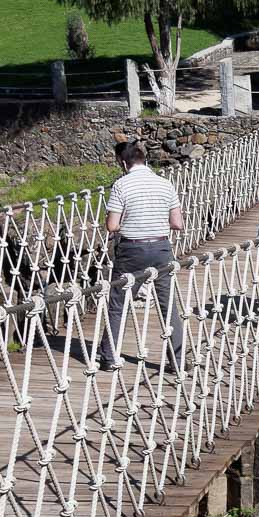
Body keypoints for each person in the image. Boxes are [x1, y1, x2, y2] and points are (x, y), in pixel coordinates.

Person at [98, 139, 185, 371]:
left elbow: (112, 225)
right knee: (168, 306)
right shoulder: (165, 184)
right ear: (143, 159)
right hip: (161, 249)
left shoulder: (121, 185)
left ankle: (108, 356)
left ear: (123, 163)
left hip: (132, 251)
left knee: (119, 302)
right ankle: (178, 361)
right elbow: (177, 223)